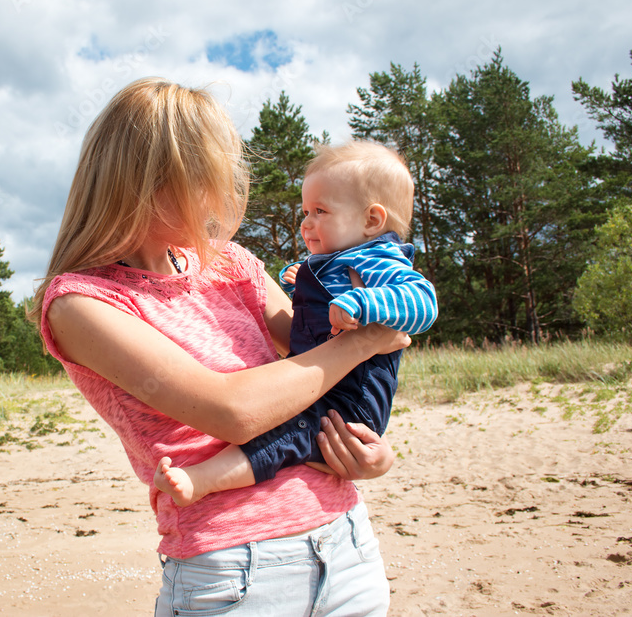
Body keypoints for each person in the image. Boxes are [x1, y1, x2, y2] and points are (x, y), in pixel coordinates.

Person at [30, 77, 410, 616]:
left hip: (346, 545)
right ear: (151, 181)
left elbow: (317, 350)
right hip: (235, 571)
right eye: (206, 176)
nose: (218, 195)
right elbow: (234, 411)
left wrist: (370, 449)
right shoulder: (82, 304)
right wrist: (369, 338)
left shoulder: (231, 263)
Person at [155, 141, 437, 508]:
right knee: (284, 428)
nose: (306, 222)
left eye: (320, 211)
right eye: (305, 211)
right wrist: (300, 280)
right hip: (324, 385)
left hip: (349, 401)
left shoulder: (377, 259)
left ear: (371, 220)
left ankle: (203, 479)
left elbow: (423, 301)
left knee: (282, 434)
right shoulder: (335, 260)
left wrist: (363, 302)